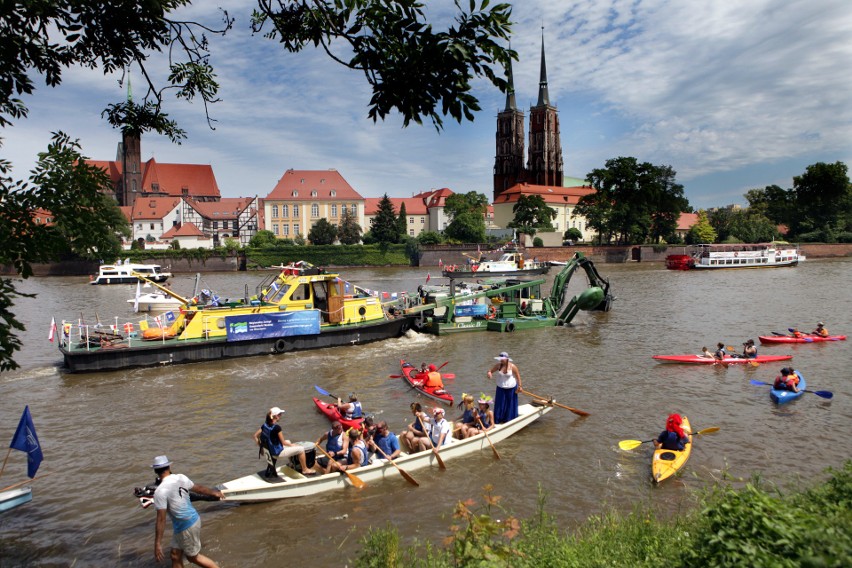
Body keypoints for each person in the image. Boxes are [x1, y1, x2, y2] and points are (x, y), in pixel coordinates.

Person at [151, 455, 223, 568]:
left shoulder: (160, 492)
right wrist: (214, 492)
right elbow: (199, 488)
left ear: (155, 471)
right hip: (185, 524)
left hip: (187, 525)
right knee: (175, 555)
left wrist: (157, 544)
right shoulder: (181, 477)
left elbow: (161, 519)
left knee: (193, 557)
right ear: (169, 467)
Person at [253, 407, 317, 477]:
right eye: (280, 414)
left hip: (269, 450)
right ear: (276, 416)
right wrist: (293, 445)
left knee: (288, 441)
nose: (281, 416)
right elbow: (283, 443)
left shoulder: (265, 425)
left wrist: (261, 448)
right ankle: (305, 469)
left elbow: (255, 436)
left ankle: (292, 464)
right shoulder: (277, 428)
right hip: (277, 453)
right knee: (301, 449)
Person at [487, 351, 522, 424]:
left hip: (511, 388)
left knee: (510, 404)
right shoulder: (498, 365)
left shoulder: (513, 366)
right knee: (499, 404)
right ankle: (497, 420)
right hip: (501, 388)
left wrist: (520, 386)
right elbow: (490, 371)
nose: (501, 360)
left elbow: (518, 376)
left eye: (503, 358)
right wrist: (489, 373)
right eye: (500, 358)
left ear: (507, 359)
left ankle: (509, 420)